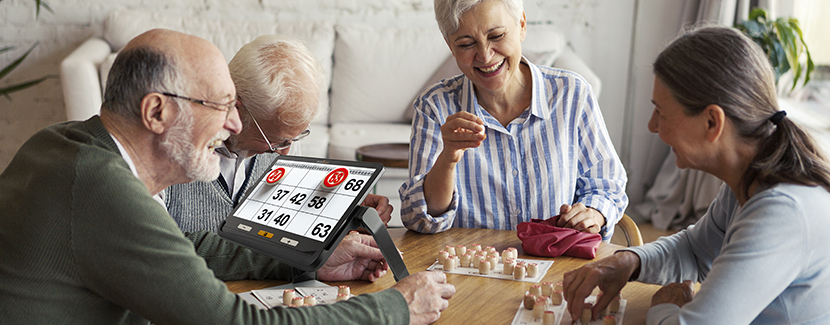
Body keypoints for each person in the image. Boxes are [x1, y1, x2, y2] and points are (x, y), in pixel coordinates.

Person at [0, 29, 455, 324]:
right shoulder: (102, 188)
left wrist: (310, 259)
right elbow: (234, 322)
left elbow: (183, 246)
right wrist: (395, 307)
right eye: (219, 107)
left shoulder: (64, 144)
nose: (233, 127)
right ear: (157, 111)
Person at [562, 26, 830, 324]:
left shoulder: (781, 211)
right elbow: (694, 250)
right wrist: (629, 261)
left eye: (661, 112)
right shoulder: (747, 178)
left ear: (712, 122)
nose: (652, 126)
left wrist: (665, 307)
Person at [399, 0, 628, 239]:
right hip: (469, 270)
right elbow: (419, 219)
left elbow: (606, 186)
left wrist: (593, 213)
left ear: (521, 25)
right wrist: (447, 159)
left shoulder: (572, 93)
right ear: (450, 46)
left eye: (496, 36)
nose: (485, 56)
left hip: (555, 266)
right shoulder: (434, 106)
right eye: (466, 44)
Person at [162, 35, 393, 233]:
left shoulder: (282, 136)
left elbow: (291, 210)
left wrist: (344, 212)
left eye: (295, 137)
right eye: (275, 141)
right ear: (236, 107)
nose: (285, 151)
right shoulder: (170, 148)